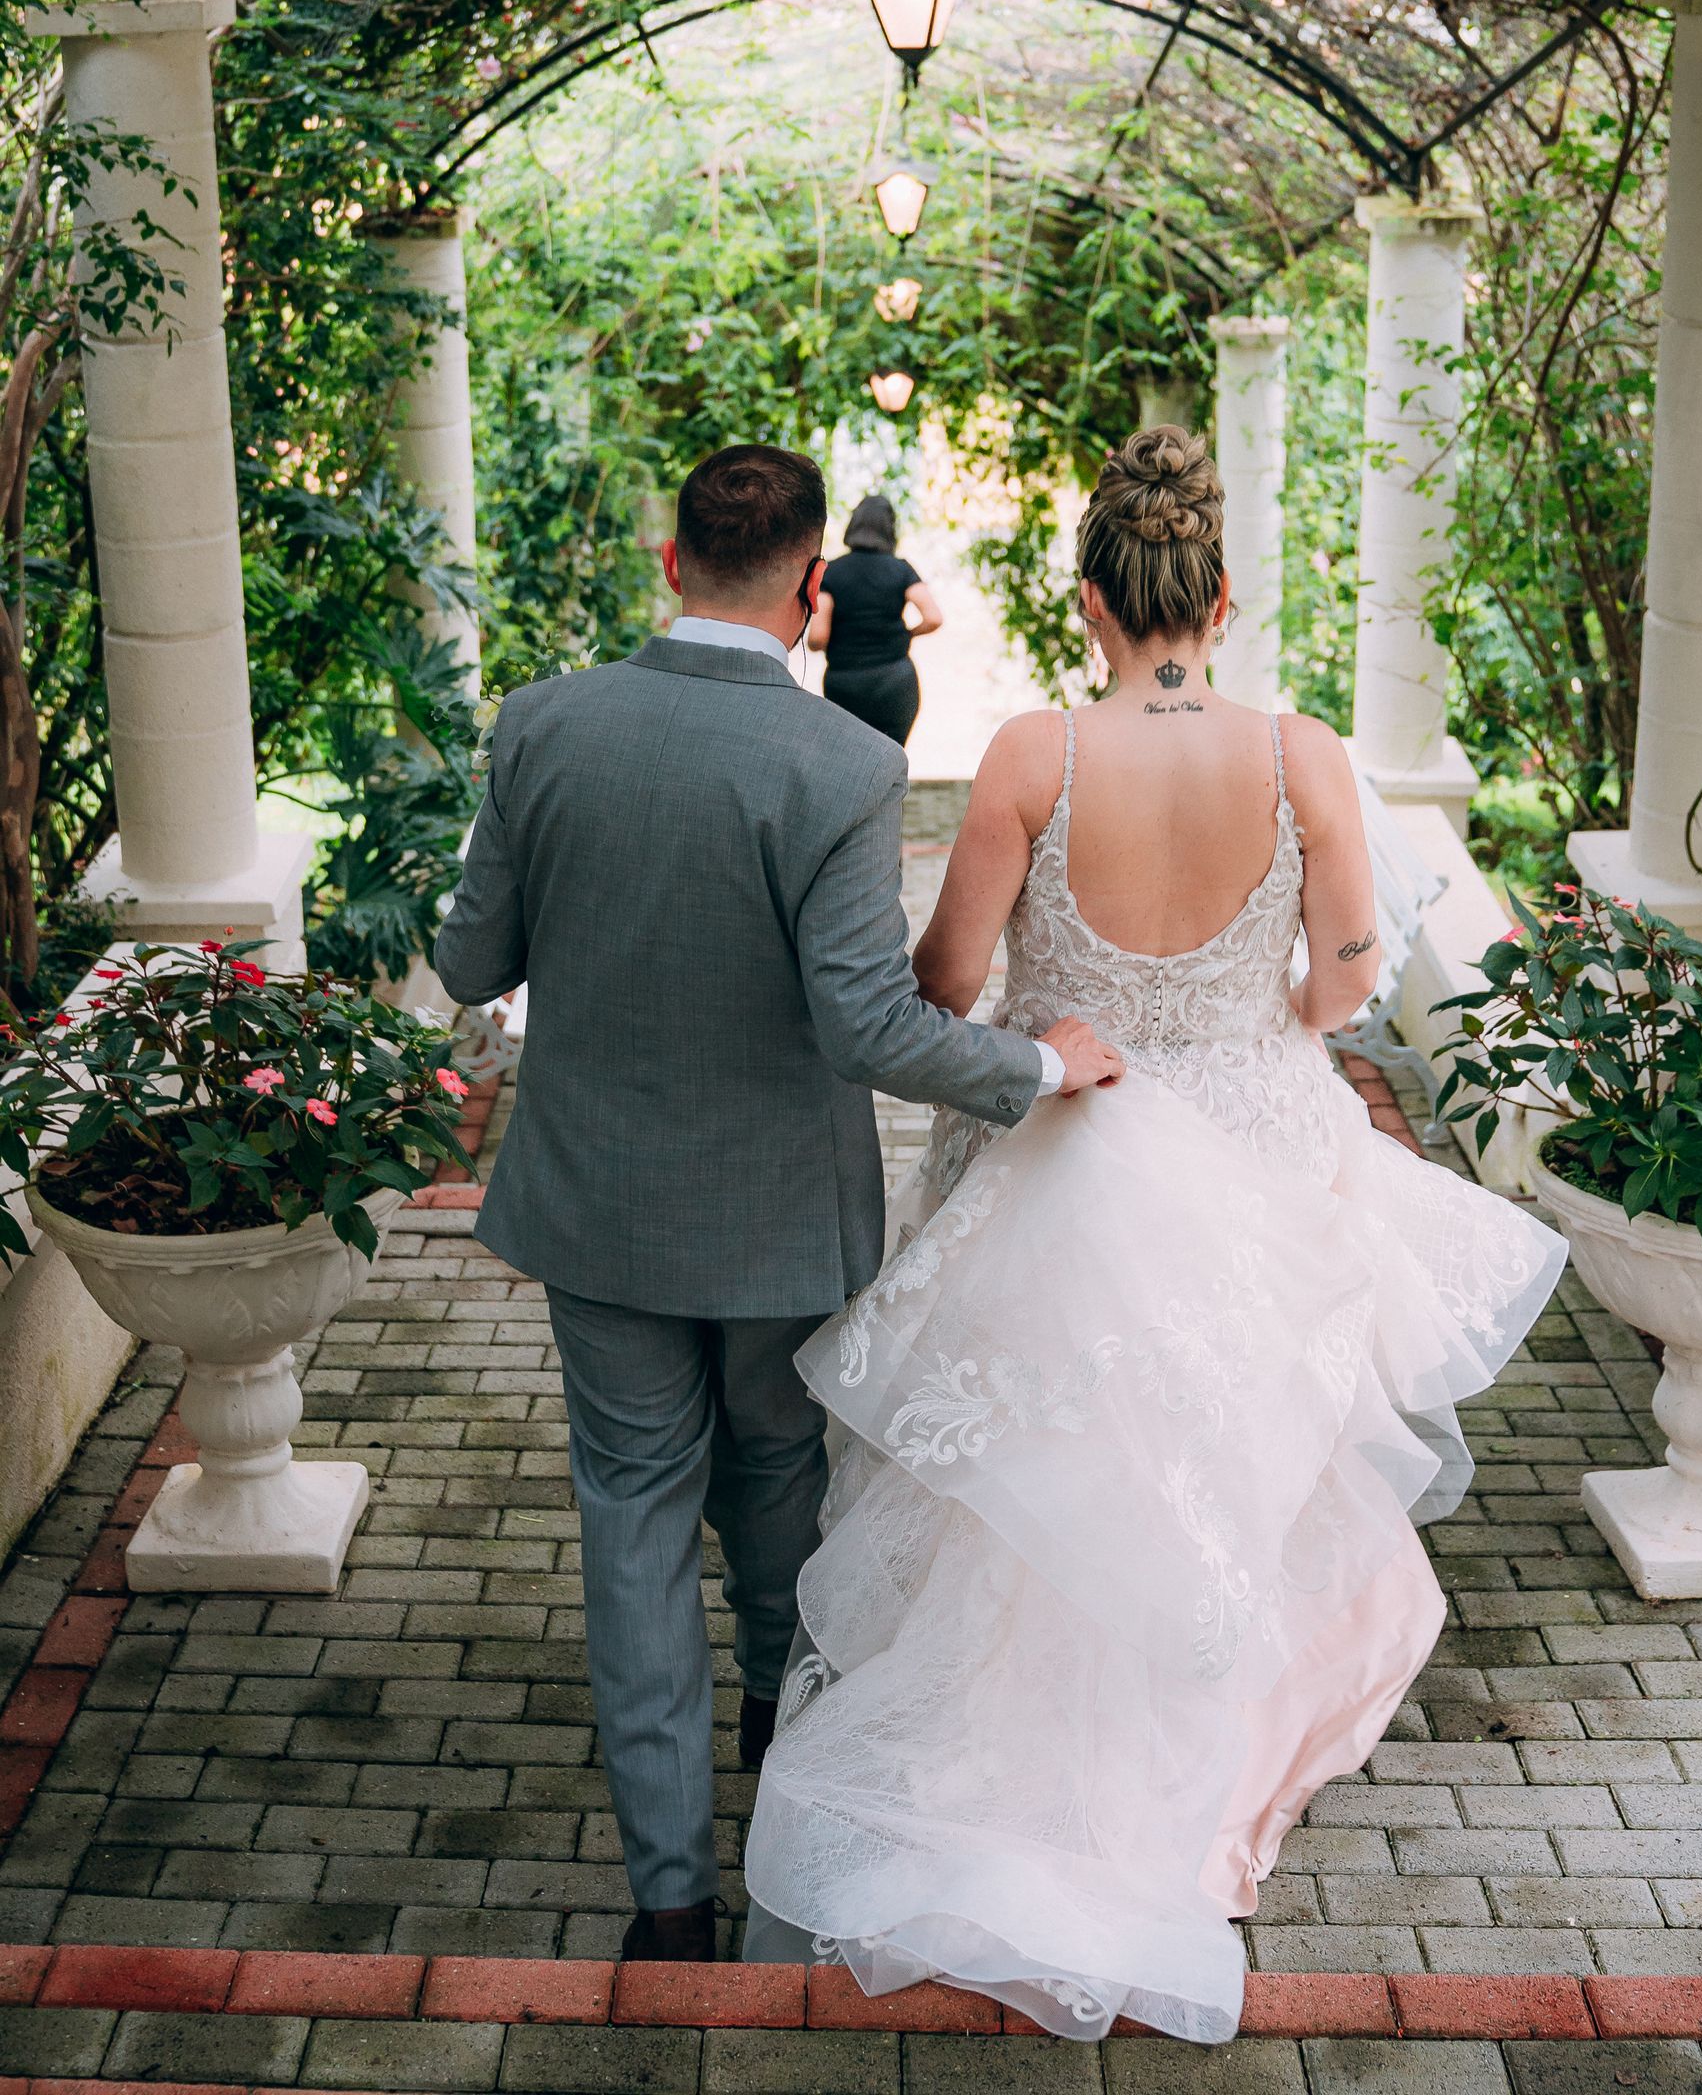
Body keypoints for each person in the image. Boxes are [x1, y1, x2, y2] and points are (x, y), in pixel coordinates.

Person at [744, 426, 1566, 2041]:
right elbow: (1342, 984)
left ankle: (1032, 1782)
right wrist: (1254, 1005)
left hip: (1069, 1140)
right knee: (1242, 1473)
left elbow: (944, 988)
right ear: (1224, 593)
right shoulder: (1304, 758)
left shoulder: (1031, 758)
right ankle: (1194, 1784)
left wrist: (1074, 1014)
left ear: (1088, 601)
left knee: (1043, 1493)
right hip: (1264, 1146)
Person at [434, 443, 1124, 1968]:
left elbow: (473, 965)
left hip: (596, 1217)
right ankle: (780, 1751)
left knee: (630, 1525)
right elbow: (872, 1028)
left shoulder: (542, 727)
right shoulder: (840, 768)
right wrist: (1039, 1063)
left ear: (669, 564)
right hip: (778, 1226)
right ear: (814, 593)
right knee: (777, 1490)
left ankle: (671, 1904)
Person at [808, 491, 942, 744]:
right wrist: (909, 633)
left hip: (845, 685)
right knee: (892, 760)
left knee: (847, 760)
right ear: (890, 529)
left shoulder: (832, 573)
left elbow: (818, 637)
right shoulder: (901, 569)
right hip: (894, 682)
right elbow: (933, 617)